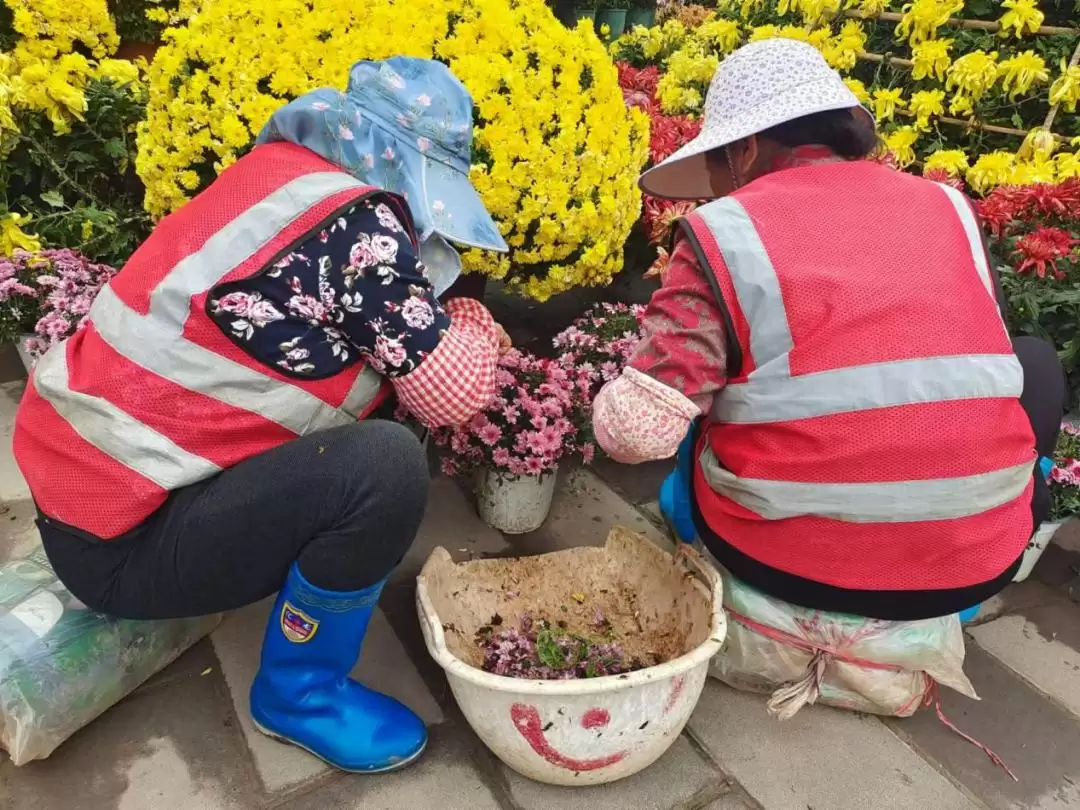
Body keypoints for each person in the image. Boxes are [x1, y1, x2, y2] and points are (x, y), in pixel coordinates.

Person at [13, 57, 511, 774]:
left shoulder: (279, 176)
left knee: (375, 415)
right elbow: (454, 394)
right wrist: (471, 324)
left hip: (80, 492)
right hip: (120, 547)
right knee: (387, 466)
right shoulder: (360, 230)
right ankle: (300, 693)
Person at [592, 39, 1067, 623]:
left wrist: (622, 382)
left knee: (693, 401)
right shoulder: (950, 206)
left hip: (787, 562)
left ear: (744, 149)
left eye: (715, 163)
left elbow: (636, 436)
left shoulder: (724, 232)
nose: (717, 185)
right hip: (977, 564)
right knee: (1033, 360)